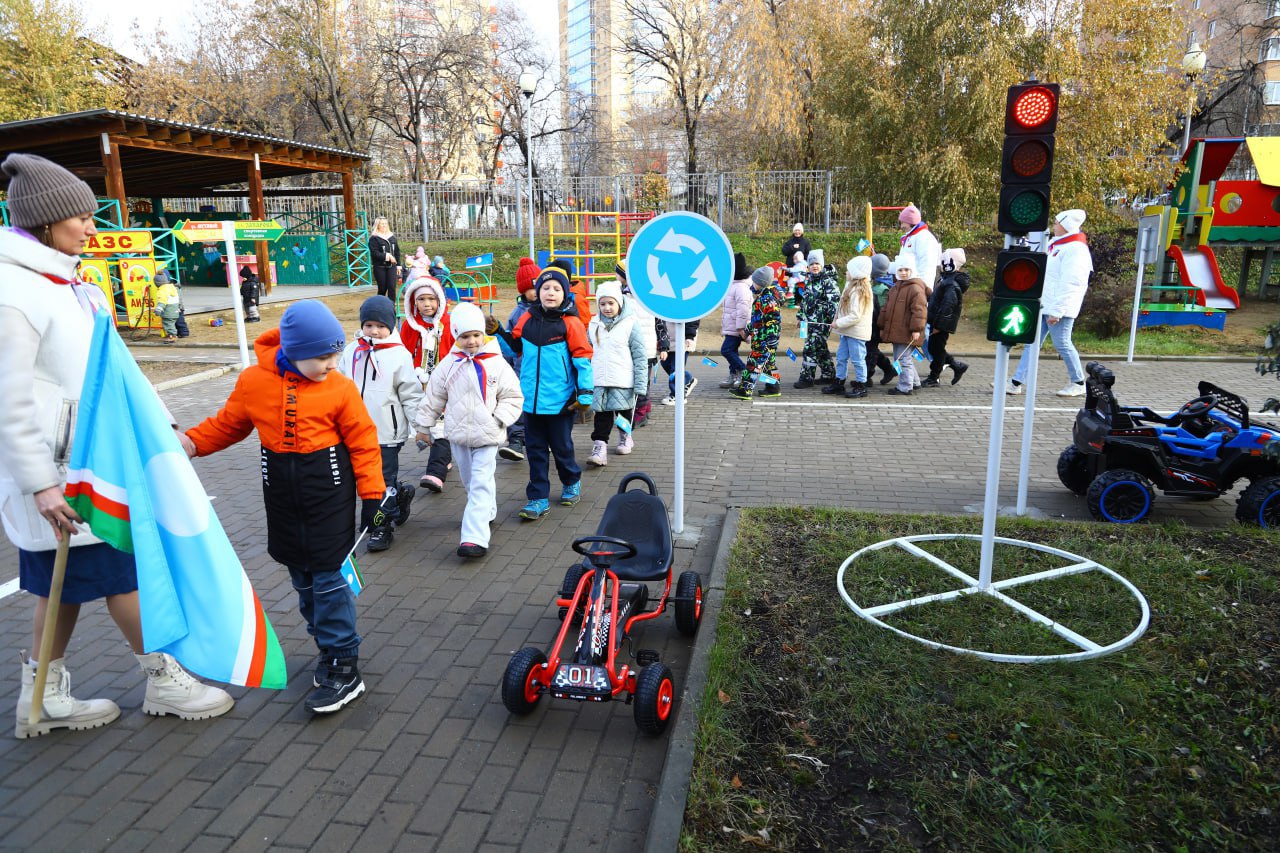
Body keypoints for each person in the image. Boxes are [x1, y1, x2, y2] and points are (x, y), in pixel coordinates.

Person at [0, 152, 233, 739]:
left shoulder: (67, 284)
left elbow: (113, 372)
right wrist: (42, 484)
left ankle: (41, 693)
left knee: (68, 589)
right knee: (124, 572)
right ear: (45, 222)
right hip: (66, 476)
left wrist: (160, 433)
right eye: (80, 216)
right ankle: (162, 678)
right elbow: (9, 400)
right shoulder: (16, 291)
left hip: (89, 464)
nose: (91, 226)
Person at [183, 300, 383, 714]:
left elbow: (363, 441)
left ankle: (344, 664)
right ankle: (327, 646)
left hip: (329, 496)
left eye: (336, 354)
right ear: (293, 352)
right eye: (323, 357)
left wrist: (373, 496)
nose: (332, 363)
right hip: (282, 497)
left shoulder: (340, 388)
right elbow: (229, 424)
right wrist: (189, 443)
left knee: (329, 582)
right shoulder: (254, 381)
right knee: (303, 580)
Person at [415, 303, 523, 559]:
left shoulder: (496, 363)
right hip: (459, 436)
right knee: (470, 481)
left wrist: (500, 419)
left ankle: (474, 537)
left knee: (481, 482)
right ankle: (487, 511)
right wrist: (423, 427)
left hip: (488, 435)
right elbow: (434, 397)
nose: (472, 341)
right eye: (464, 336)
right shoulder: (448, 365)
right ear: (456, 336)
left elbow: (513, 395)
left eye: (476, 335)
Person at [488, 267, 593, 520]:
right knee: (534, 450)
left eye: (556, 288)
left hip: (560, 402)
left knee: (562, 448)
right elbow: (514, 349)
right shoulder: (527, 319)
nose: (550, 292)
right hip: (530, 402)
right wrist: (498, 331)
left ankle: (571, 481)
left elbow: (583, 359)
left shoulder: (571, 323)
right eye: (545, 288)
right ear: (537, 292)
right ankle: (537, 498)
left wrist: (586, 394)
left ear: (564, 293)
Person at [337, 295, 421, 552]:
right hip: (350, 432)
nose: (374, 331)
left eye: (380, 326)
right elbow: (337, 385)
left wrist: (422, 427)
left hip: (386, 433)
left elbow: (411, 393)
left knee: (380, 482)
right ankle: (399, 496)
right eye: (369, 325)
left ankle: (380, 528)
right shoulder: (352, 351)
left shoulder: (399, 355)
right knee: (355, 480)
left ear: (391, 325)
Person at [1008, 209, 1093, 397]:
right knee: (1033, 342)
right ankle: (1015, 382)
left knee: (1062, 342)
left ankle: (1078, 382)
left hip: (1059, 307)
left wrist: (1058, 310)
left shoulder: (1076, 249)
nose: (1053, 225)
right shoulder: (1059, 244)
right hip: (1047, 303)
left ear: (1066, 225)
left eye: (1057, 222)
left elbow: (1072, 282)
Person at [399, 274, 454, 492]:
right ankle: (445, 457)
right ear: (413, 301)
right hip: (419, 384)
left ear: (440, 300)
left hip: (446, 384)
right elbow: (402, 352)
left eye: (431, 299)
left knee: (442, 425)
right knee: (428, 425)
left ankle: (435, 472)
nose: (427, 304)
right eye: (421, 299)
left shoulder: (449, 324)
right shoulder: (409, 326)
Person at [586, 281, 647, 465]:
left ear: (619, 303)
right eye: (603, 304)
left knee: (623, 414)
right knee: (601, 415)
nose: (607, 308)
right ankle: (600, 447)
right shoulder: (594, 324)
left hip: (623, 379)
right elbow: (589, 350)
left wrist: (640, 384)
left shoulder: (630, 323)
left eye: (611, 303)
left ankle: (625, 436)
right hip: (600, 379)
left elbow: (640, 355)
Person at [497, 257, 541, 462]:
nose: (534, 291)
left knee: (539, 407)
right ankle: (516, 440)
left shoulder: (549, 310)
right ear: (522, 290)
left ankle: (541, 440)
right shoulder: (517, 314)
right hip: (520, 368)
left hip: (544, 370)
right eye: (529, 287)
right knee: (518, 404)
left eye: (537, 286)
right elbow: (509, 343)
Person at [614, 260, 658, 428]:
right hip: (637, 347)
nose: (616, 276)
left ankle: (640, 413)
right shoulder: (624, 295)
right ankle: (644, 409)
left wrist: (663, 345)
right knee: (638, 381)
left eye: (618, 272)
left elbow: (657, 322)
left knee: (640, 383)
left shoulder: (633, 298)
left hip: (645, 349)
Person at [730, 267, 784, 400]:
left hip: (764, 341)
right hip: (762, 339)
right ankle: (774, 387)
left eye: (754, 282)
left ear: (761, 283)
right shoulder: (763, 297)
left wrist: (771, 341)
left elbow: (774, 322)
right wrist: (747, 332)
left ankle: (745, 390)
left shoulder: (768, 300)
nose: (752, 284)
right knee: (769, 365)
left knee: (753, 364)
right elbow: (757, 320)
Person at [878, 259, 928, 396]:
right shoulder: (895, 287)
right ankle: (915, 382)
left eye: (907, 270)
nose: (903, 273)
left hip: (908, 331)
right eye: (900, 270)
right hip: (897, 331)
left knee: (902, 359)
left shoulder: (915, 288)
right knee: (902, 358)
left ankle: (905, 386)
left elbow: (919, 311)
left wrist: (916, 329)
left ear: (912, 271)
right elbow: (886, 309)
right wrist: (882, 325)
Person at [826, 256, 874, 399]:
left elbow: (855, 315)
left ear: (857, 272)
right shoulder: (849, 286)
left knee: (858, 359)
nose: (846, 273)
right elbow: (841, 308)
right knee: (841, 357)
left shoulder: (859, 291)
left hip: (856, 332)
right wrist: (835, 321)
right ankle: (839, 381)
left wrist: (838, 323)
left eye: (849, 270)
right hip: (846, 331)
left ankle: (861, 385)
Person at [922, 249, 970, 388]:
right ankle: (956, 365)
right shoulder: (946, 280)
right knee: (935, 347)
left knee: (936, 349)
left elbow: (947, 306)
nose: (940, 265)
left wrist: (938, 326)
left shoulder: (951, 284)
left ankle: (934, 376)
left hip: (941, 323)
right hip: (937, 321)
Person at [795, 250, 839, 388]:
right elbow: (805, 302)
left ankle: (806, 378)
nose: (814, 266)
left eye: (817, 263)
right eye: (812, 263)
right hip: (809, 322)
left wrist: (828, 320)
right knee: (820, 348)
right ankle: (829, 374)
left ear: (822, 265)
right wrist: (800, 317)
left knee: (810, 348)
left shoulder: (828, 281)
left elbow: (834, 303)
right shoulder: (810, 280)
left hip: (821, 322)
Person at [719, 252, 753, 389]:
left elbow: (743, 310)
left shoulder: (741, 287)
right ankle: (734, 374)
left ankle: (744, 372)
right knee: (732, 350)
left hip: (737, 327)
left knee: (726, 350)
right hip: (731, 326)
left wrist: (740, 328)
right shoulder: (733, 285)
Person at [894, 204, 942, 295]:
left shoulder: (924, 238)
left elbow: (927, 267)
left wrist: (921, 290)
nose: (901, 226)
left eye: (903, 222)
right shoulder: (910, 237)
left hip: (917, 289)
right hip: (907, 285)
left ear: (910, 222)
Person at [867, 253, 897, 385]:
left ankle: (866, 377)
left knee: (870, 350)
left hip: (876, 324)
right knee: (871, 348)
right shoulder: (888, 284)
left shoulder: (880, 289)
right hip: (876, 323)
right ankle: (889, 369)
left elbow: (881, 309)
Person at [657, 316, 699, 404]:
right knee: (665, 363)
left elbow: (693, 319)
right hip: (667, 339)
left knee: (675, 370)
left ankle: (677, 396)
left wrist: (689, 336)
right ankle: (688, 378)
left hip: (682, 339)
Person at [368, 217, 401, 300]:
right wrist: (388, 256)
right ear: (377, 225)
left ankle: (391, 309)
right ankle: (380, 308)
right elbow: (374, 253)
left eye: (385, 223)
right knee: (382, 289)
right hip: (379, 267)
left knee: (392, 288)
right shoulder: (374, 238)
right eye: (382, 224)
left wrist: (398, 266)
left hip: (392, 267)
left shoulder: (392, 237)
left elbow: (397, 252)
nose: (384, 225)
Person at [153, 270, 182, 341]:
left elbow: (162, 301)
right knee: (171, 324)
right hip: (175, 310)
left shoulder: (162, 291)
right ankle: (172, 335)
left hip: (168, 311)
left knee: (168, 324)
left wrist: (158, 309)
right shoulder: (172, 287)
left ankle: (172, 336)